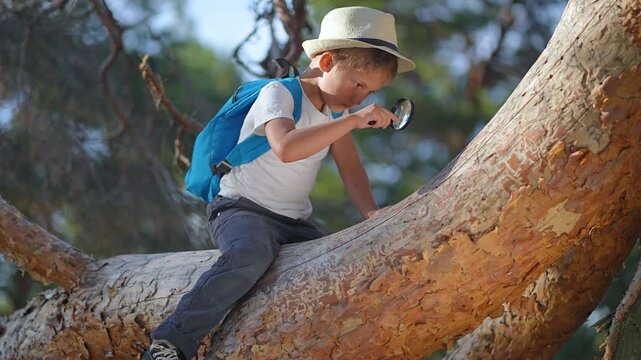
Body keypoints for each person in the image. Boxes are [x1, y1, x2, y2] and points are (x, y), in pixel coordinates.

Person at [142, 6, 415, 360]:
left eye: (368, 93)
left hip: (293, 221)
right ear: (328, 62)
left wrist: (372, 212)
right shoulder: (279, 94)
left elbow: (351, 168)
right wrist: (353, 121)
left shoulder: (337, 113)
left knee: (341, 265)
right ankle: (170, 343)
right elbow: (285, 148)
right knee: (248, 254)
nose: (359, 99)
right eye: (358, 85)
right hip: (242, 209)